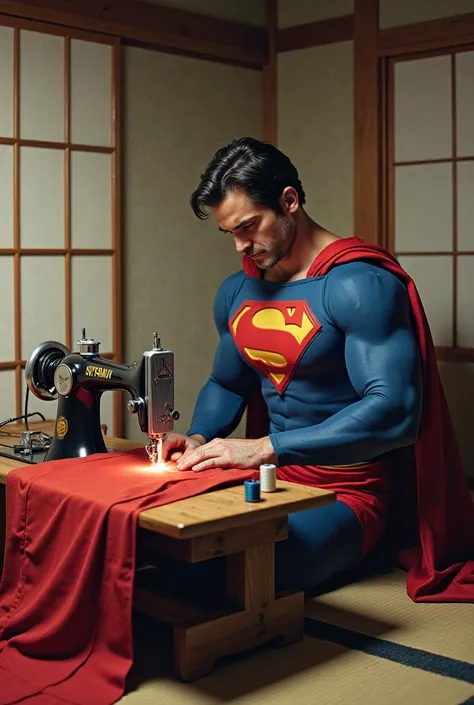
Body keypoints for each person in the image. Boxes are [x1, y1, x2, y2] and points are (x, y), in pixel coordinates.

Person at [162, 137, 474, 601]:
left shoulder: (360, 284)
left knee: (246, 566)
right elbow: (227, 383)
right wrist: (200, 436)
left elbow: (394, 411)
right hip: (262, 477)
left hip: (349, 492)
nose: (240, 246)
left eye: (248, 226)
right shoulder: (236, 291)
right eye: (229, 233)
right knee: (157, 541)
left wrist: (266, 447)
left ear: (289, 201)